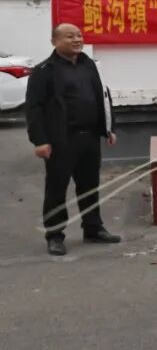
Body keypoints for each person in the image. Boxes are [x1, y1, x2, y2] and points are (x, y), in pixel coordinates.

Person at [25, 23, 121, 256]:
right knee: (56, 189)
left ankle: (93, 228)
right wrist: (39, 140)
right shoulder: (44, 71)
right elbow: (34, 109)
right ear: (55, 42)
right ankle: (55, 235)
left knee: (90, 186)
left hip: (90, 137)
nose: (77, 40)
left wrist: (109, 128)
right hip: (61, 140)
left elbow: (103, 96)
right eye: (70, 36)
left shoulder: (90, 65)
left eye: (79, 35)